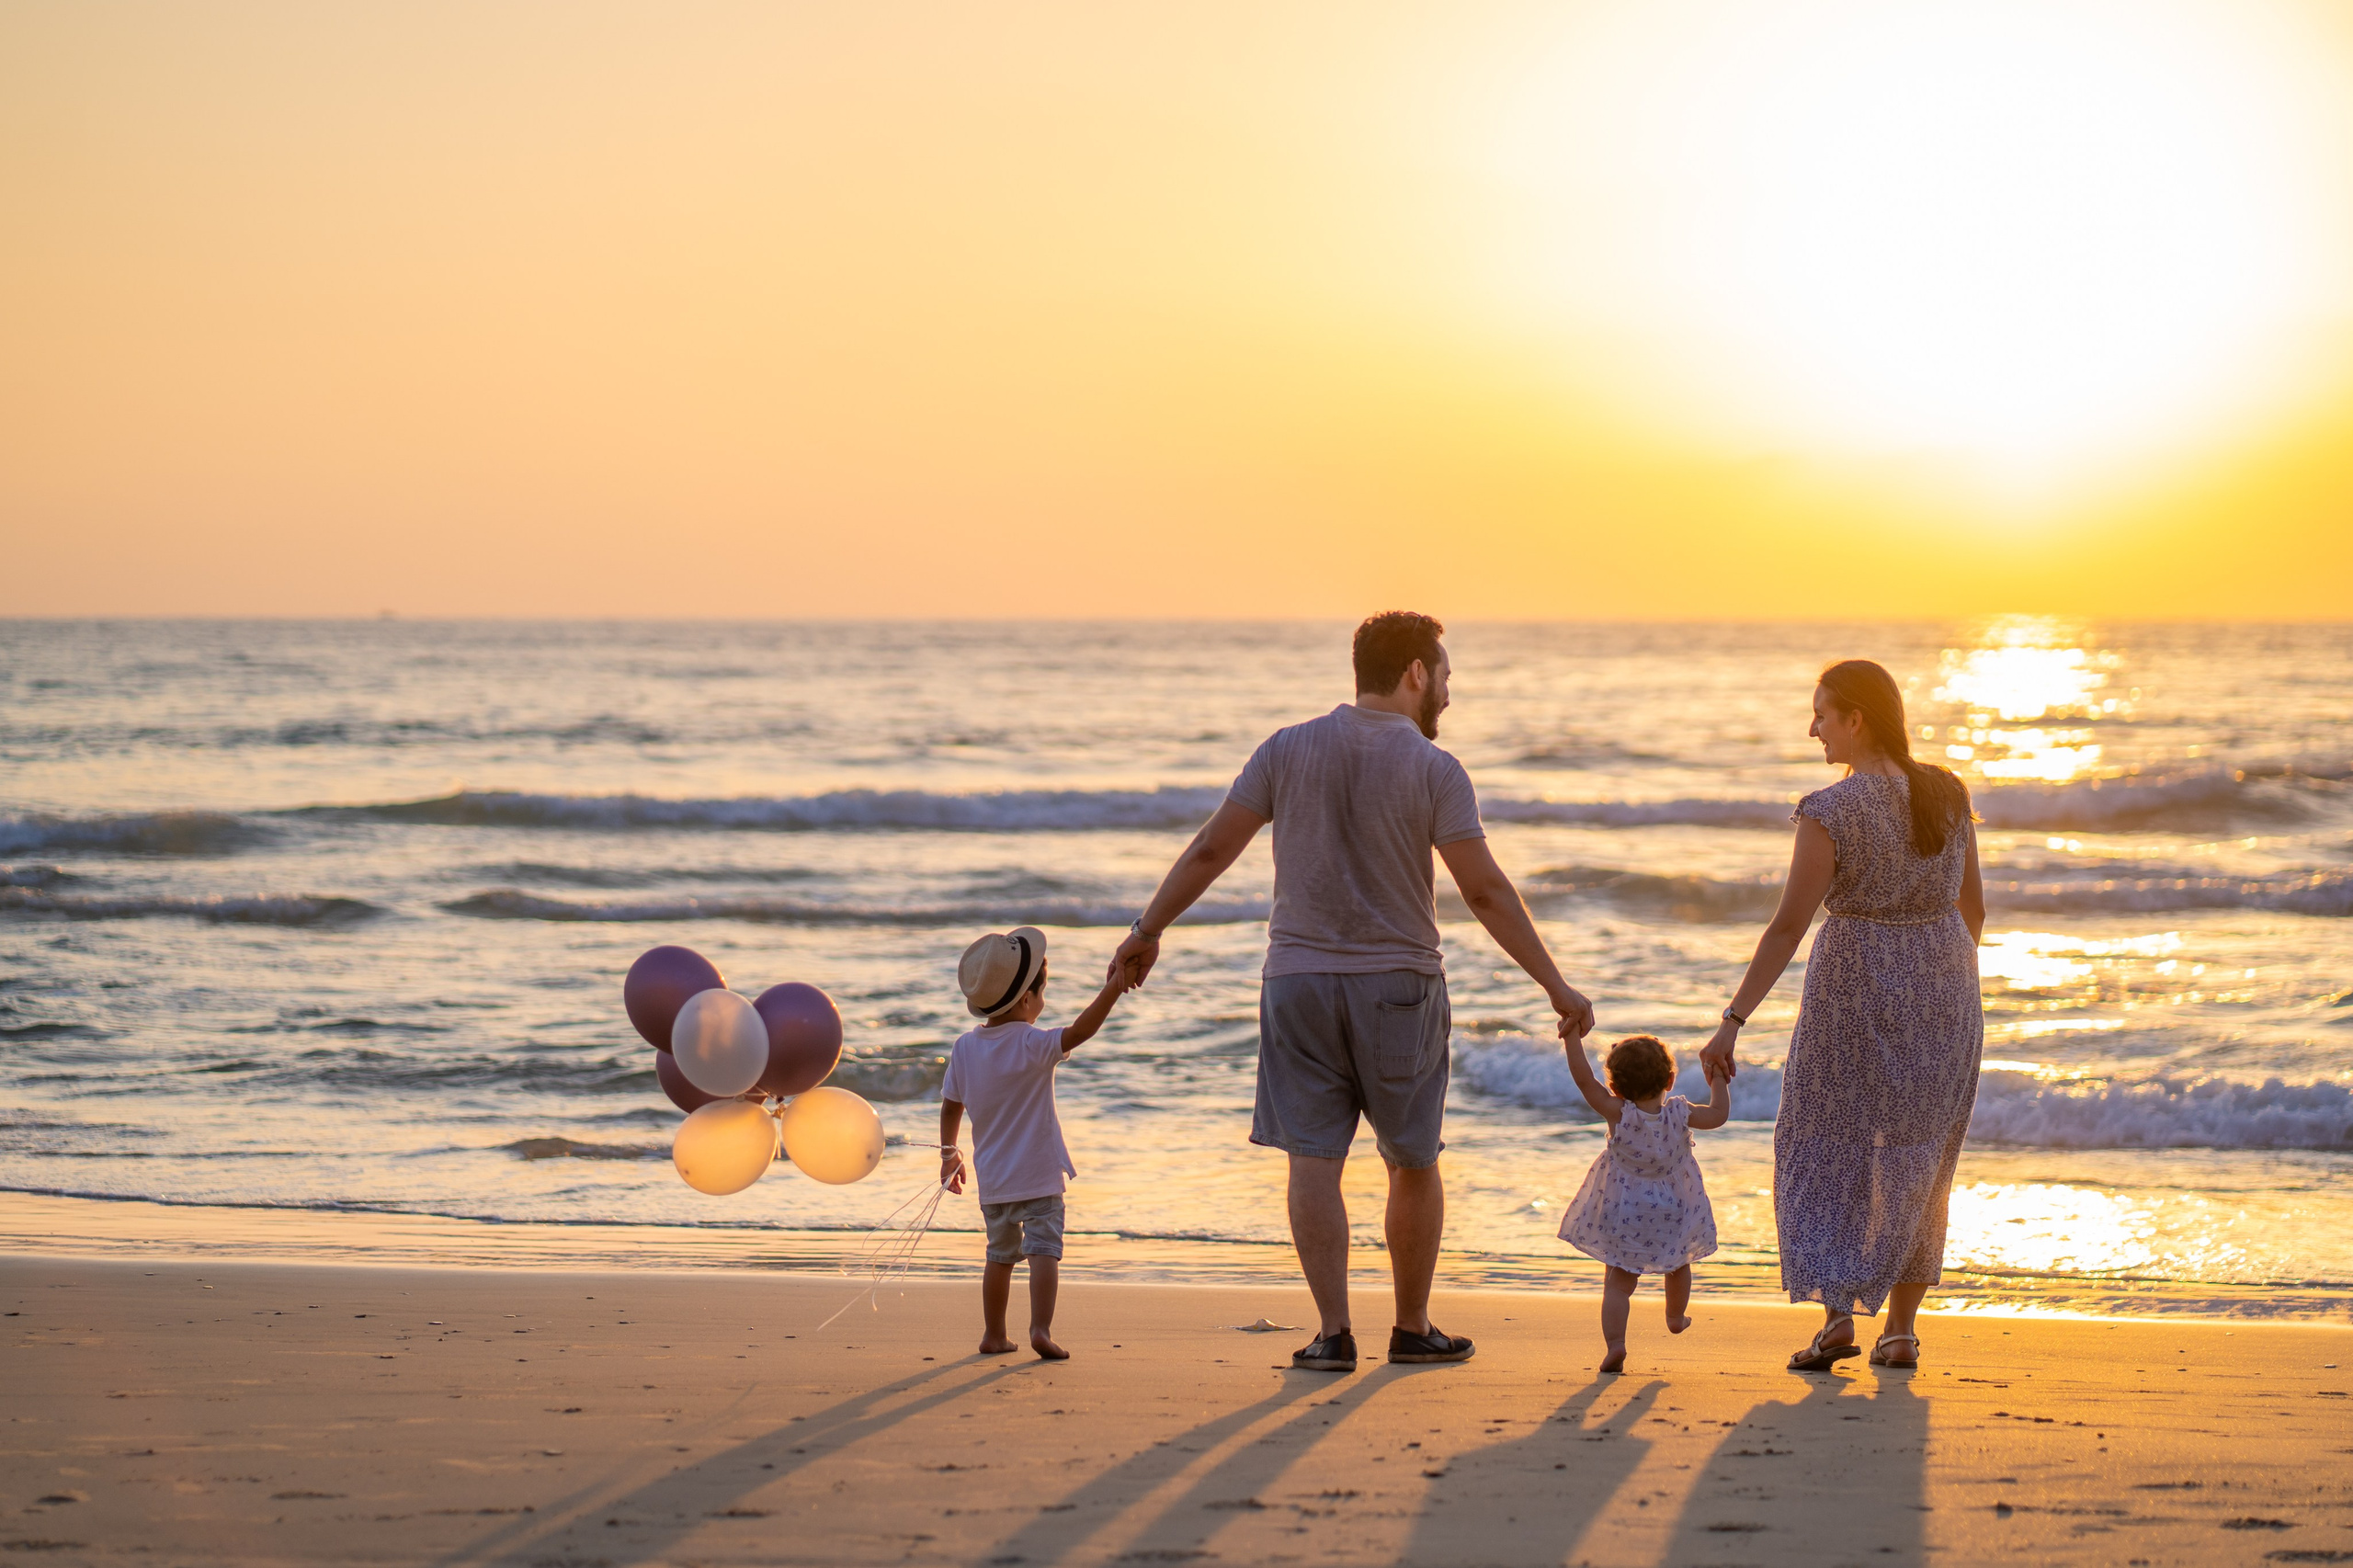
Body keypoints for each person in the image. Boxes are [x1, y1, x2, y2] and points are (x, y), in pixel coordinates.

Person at [1112, 611, 1597, 1374]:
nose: (1447, 694)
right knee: (1412, 1160)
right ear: (1414, 672)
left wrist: (1148, 927)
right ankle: (1411, 1328)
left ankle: (1333, 1333)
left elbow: (1212, 847)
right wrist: (1555, 983)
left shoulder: (1287, 747)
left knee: (1312, 1158)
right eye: (1444, 677)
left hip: (1297, 982)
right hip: (1398, 984)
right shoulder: (1437, 769)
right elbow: (1486, 892)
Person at [1698, 659, 1984, 1373]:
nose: (1813, 727)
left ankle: (1836, 1320)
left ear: (1857, 718)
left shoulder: (1830, 809)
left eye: (1823, 713)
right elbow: (1973, 911)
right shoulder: (1949, 795)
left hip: (1851, 991)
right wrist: (1936, 977)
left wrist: (1733, 1019)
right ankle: (1901, 1331)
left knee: (1827, 1145)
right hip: (1947, 992)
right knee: (1923, 1157)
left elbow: (1787, 928)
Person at [939, 926, 1128, 1360]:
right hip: (1039, 1177)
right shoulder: (1032, 1042)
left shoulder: (964, 1048)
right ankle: (1040, 1330)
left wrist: (949, 1155)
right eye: (1043, 995)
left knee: (999, 1257)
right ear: (1027, 999)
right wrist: (1113, 989)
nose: (1043, 1005)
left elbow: (951, 1107)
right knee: (1044, 1251)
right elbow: (1080, 1031)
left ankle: (993, 1334)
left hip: (995, 1182)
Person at [1556, 1033, 1729, 1373]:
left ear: (1616, 1088)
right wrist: (1719, 1077)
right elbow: (1718, 1115)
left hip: (1625, 1210)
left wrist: (1571, 1038)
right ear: (1670, 1079)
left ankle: (1616, 1346)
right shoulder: (1681, 1113)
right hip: (1673, 1209)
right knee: (1679, 1263)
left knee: (1619, 1280)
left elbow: (1582, 1079)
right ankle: (1675, 1317)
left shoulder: (1617, 1112)